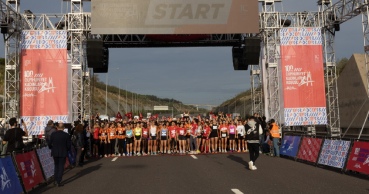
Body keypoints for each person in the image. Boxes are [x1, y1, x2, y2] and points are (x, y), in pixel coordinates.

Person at [48, 122, 71, 187]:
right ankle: (58, 180)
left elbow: (49, 143)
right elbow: (69, 145)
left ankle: (55, 180)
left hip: (55, 152)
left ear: (57, 127)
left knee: (56, 166)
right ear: (63, 128)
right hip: (63, 152)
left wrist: (51, 148)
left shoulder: (53, 134)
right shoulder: (66, 135)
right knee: (61, 167)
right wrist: (67, 150)